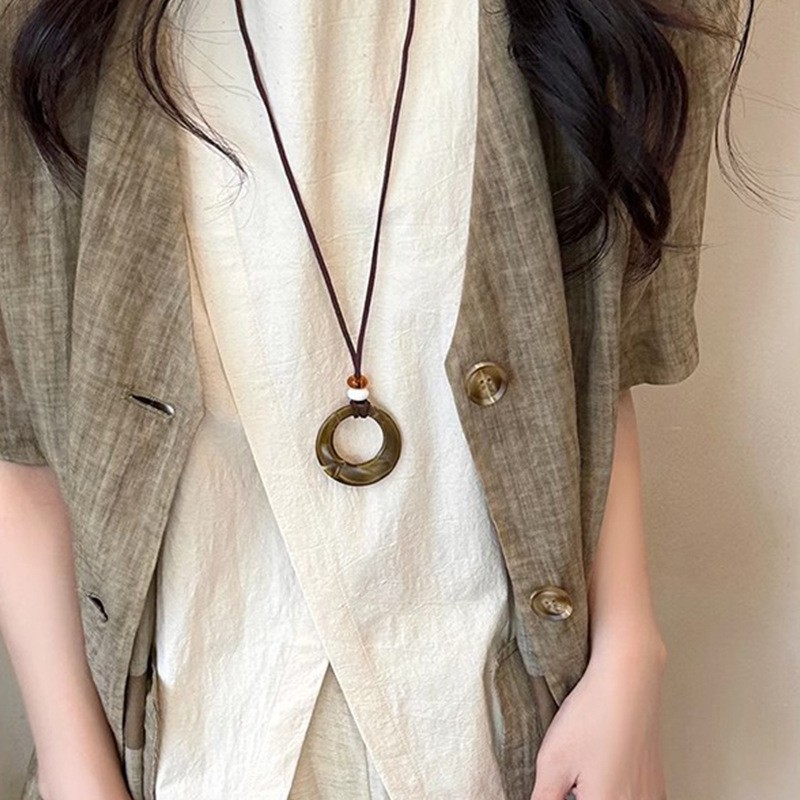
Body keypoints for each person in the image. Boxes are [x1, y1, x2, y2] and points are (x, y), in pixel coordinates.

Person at [0, 0, 754, 798]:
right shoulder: (51, 32)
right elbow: (21, 431)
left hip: (501, 740)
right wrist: (75, 765)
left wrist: (630, 650)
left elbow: (597, 366)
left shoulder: (600, 23)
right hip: (189, 748)